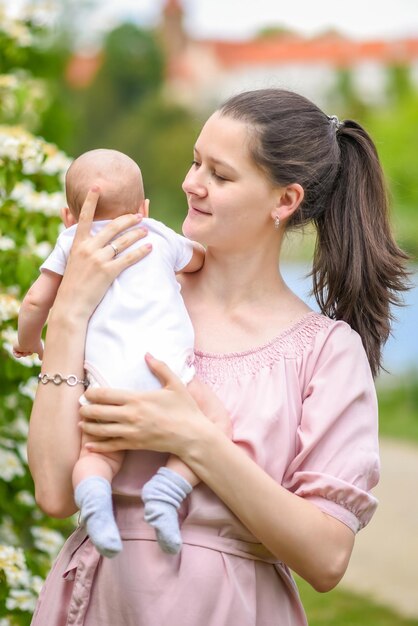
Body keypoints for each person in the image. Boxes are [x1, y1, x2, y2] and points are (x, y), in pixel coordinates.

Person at [27, 89, 409, 626]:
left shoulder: (324, 352)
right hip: (100, 606)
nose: (190, 182)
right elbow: (53, 491)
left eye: (220, 175)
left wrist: (197, 441)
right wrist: (69, 313)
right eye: (194, 160)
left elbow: (326, 559)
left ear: (285, 201)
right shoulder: (120, 295)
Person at [15, 148, 229, 558]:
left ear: (68, 217)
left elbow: (33, 304)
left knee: (98, 452)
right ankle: (167, 491)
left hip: (107, 379)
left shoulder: (70, 244)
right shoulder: (157, 234)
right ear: (143, 207)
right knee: (215, 421)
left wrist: (31, 342)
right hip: (168, 372)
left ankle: (95, 499)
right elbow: (199, 259)